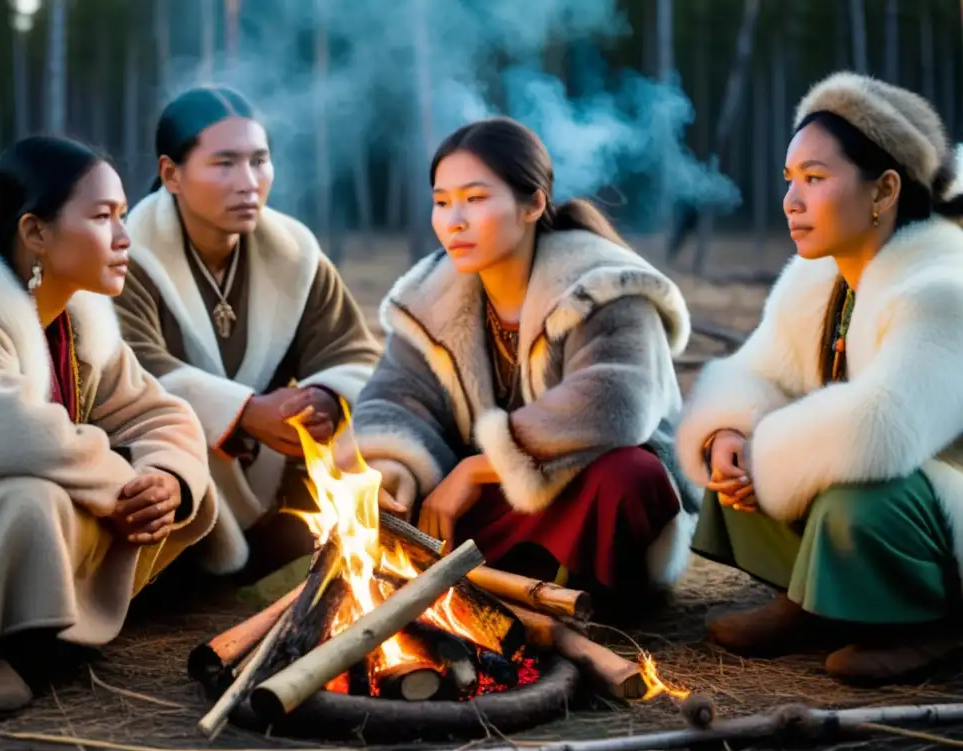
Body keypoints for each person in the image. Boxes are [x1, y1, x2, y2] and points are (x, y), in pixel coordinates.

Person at [346, 116, 700, 622]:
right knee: (386, 504)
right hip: (499, 504)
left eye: (475, 198)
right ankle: (482, 591)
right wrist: (395, 474)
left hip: (587, 491)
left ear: (533, 203)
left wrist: (477, 467)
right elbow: (394, 402)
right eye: (442, 202)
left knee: (629, 476)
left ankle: (589, 598)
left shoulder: (602, 286)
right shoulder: (431, 300)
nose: (455, 219)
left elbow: (615, 408)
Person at [677, 72, 963, 684]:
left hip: (949, 509)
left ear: (884, 189)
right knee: (732, 458)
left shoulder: (941, 284)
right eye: (789, 181)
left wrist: (768, 455)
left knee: (853, 500)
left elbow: (881, 429)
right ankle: (817, 604)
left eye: (815, 179)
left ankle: (932, 623)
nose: (791, 202)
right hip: (882, 488)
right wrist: (728, 433)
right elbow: (756, 370)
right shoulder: (820, 280)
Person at [0, 136, 217, 714]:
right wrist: (122, 487)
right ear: (35, 232)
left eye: (121, 215)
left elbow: (160, 413)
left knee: (99, 492)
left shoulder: (75, 317)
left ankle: (41, 637)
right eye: (101, 217)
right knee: (29, 499)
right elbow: (12, 435)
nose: (123, 238)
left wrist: (166, 478)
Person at [113, 86, 381, 581]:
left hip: (272, 477)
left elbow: (352, 351)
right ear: (171, 174)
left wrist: (324, 396)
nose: (249, 182)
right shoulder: (125, 254)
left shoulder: (294, 254)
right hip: (167, 478)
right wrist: (242, 413)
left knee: (383, 455)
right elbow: (128, 371)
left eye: (260, 161)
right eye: (225, 164)